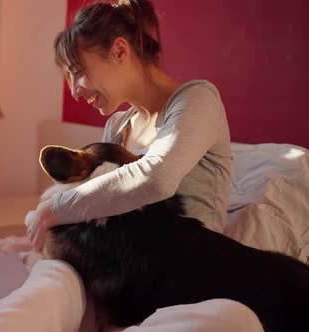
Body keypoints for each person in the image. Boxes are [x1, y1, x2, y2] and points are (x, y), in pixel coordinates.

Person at [25, 0, 232, 251]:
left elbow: (158, 179)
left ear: (120, 51)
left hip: (190, 272)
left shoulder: (198, 100)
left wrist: (54, 210)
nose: (74, 91)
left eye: (77, 71)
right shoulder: (117, 127)